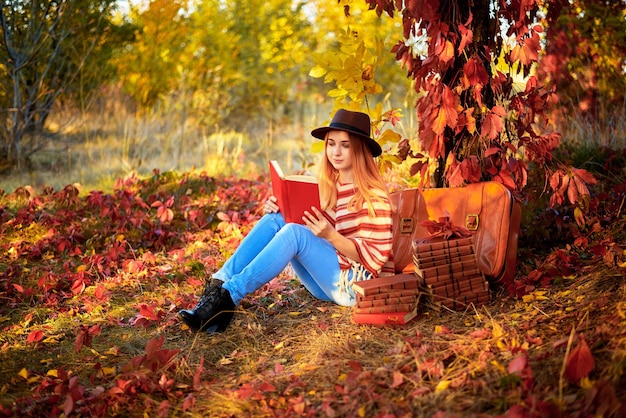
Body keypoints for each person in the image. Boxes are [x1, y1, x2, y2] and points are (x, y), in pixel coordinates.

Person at [178, 109, 395, 334]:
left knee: (294, 233)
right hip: (327, 280)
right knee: (278, 218)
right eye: (331, 144)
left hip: (353, 285)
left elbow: (373, 259)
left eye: (345, 145)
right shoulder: (330, 188)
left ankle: (228, 298)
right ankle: (217, 285)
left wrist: (330, 235)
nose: (336, 152)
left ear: (360, 149)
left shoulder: (373, 196)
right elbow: (307, 230)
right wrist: (279, 207)